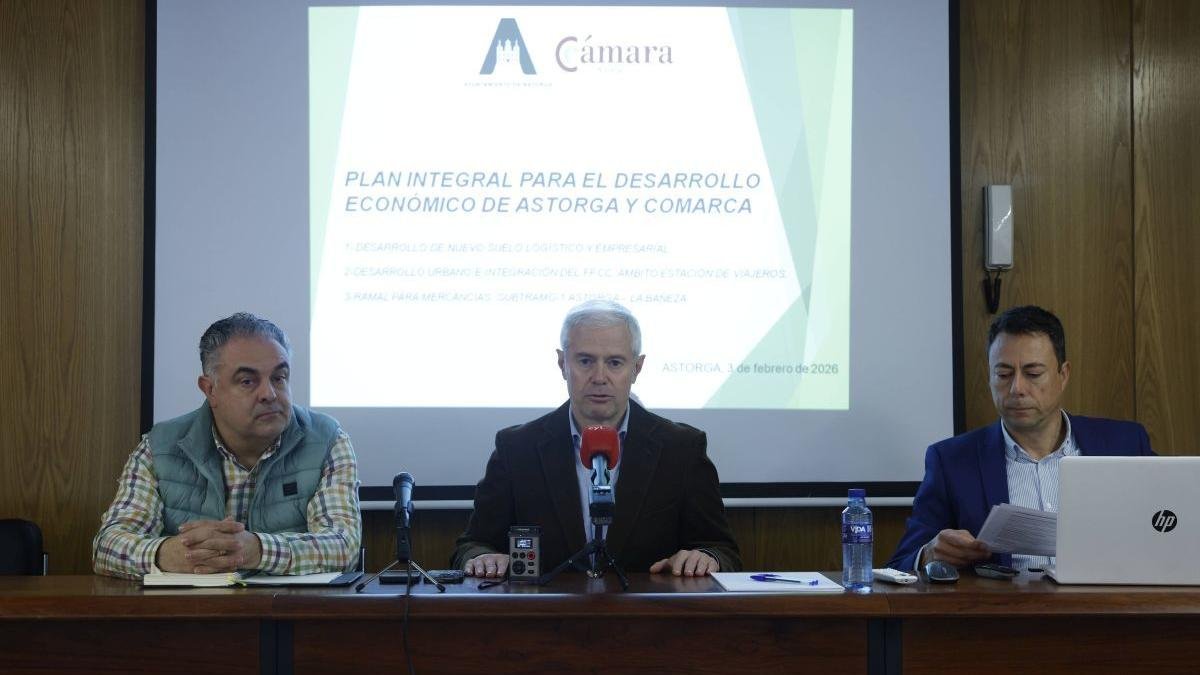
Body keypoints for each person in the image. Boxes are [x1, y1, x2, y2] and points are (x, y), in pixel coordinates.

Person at [452, 300, 741, 578]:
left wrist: (707, 557)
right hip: (547, 609)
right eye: (585, 361)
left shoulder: (681, 449)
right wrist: (483, 558)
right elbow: (472, 545)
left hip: (647, 611)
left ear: (637, 368)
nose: (599, 377)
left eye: (614, 362)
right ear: (562, 363)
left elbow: (722, 550)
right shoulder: (517, 448)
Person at [93, 313, 361, 579]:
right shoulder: (161, 447)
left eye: (279, 377)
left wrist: (256, 549)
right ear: (210, 389)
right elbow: (107, 547)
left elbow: (344, 546)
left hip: (288, 606)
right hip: (193, 607)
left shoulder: (327, 440)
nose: (269, 394)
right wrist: (167, 554)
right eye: (247, 381)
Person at [888, 305, 1154, 572]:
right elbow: (900, 566)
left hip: (1107, 597)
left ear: (1063, 375)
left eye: (1033, 374)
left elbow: (1167, 531)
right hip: (1005, 599)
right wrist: (929, 554)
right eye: (1003, 375)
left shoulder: (1127, 444)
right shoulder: (952, 462)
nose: (1017, 388)